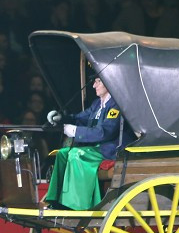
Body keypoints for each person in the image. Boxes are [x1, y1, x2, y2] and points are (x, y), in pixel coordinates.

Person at [43, 75, 124, 210]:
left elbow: (105, 132)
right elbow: (80, 119)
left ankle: (76, 205)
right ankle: (56, 199)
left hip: (110, 150)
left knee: (76, 154)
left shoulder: (116, 105)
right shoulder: (97, 104)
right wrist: (61, 118)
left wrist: (75, 131)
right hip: (95, 149)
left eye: (98, 81)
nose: (94, 85)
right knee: (62, 154)